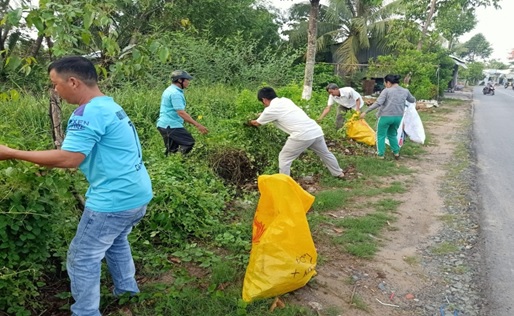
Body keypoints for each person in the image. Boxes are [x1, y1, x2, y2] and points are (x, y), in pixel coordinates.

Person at [0, 56, 153, 316]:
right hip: (137, 193)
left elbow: (70, 159)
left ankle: (85, 312)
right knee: (116, 241)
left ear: (73, 82)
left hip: (112, 201)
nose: (55, 91)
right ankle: (128, 292)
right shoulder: (108, 105)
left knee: (81, 257)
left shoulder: (88, 112)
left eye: (55, 84)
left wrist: (12, 152)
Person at [248, 87, 345, 178]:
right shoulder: (285, 100)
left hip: (302, 135)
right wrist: (261, 115)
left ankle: (285, 184)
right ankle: (338, 173)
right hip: (315, 130)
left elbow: (257, 123)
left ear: (264, 100)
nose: (263, 104)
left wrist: (247, 122)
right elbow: (278, 113)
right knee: (325, 153)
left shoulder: (269, 110)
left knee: (284, 158)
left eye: (262, 102)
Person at [360, 74, 416, 160]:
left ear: (388, 82)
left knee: (380, 135)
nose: (385, 85)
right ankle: (396, 152)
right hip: (398, 117)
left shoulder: (387, 91)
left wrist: (366, 111)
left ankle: (380, 154)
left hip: (385, 116)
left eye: (385, 83)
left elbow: (378, 103)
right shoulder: (405, 91)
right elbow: (412, 100)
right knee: (392, 134)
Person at [156, 70, 208, 155]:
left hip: (163, 125)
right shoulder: (175, 93)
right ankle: (179, 160)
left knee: (172, 150)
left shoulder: (169, 89)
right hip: (171, 125)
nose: (188, 82)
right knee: (189, 142)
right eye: (187, 80)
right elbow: (181, 112)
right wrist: (198, 125)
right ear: (180, 80)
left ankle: (172, 165)